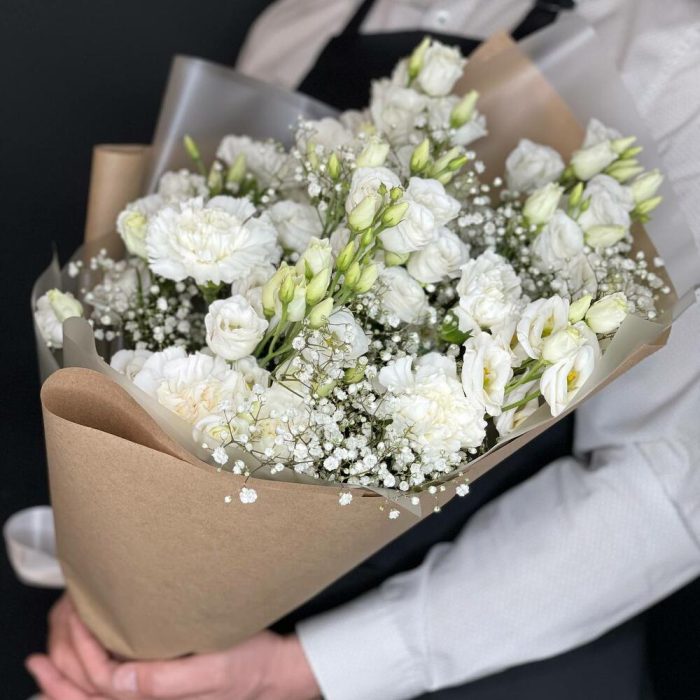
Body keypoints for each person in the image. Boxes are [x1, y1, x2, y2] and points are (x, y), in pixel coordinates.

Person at [26, 1, 700, 698]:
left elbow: (665, 487)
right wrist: (114, 609)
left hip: (477, 663)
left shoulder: (676, 61)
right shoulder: (304, 16)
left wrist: (307, 669)